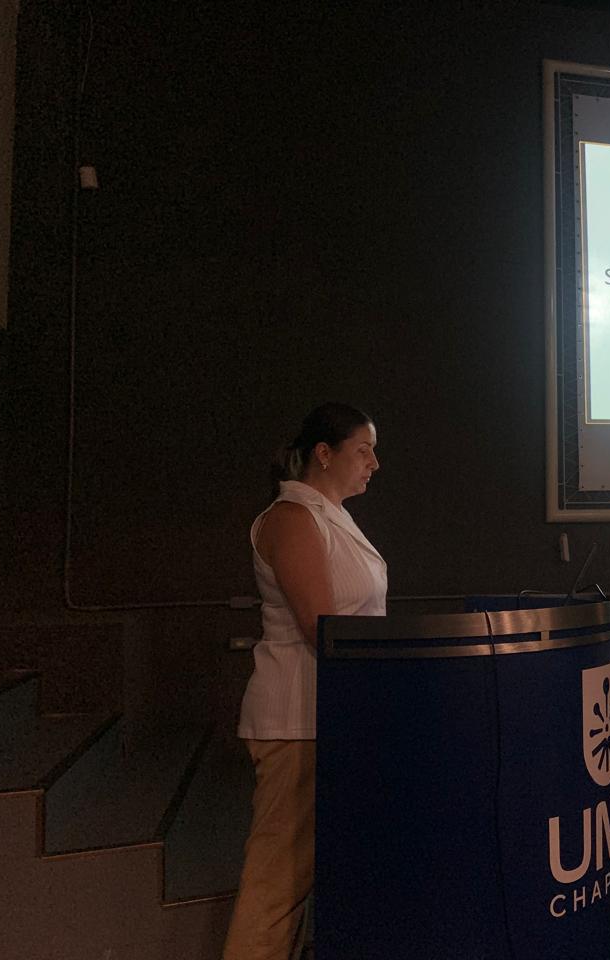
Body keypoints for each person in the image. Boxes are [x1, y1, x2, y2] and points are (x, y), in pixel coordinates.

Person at [224, 402, 387, 960]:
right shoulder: (292, 516)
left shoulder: (330, 514)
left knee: (298, 881)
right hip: (296, 720)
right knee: (277, 884)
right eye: (363, 450)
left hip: (331, 716)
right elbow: (323, 627)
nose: (374, 463)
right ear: (324, 453)